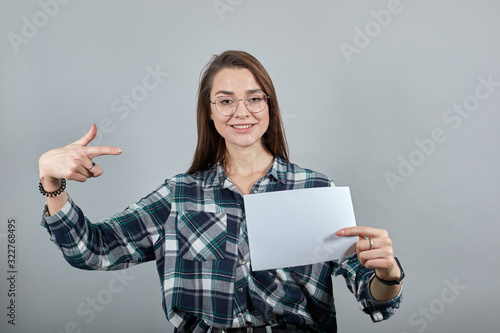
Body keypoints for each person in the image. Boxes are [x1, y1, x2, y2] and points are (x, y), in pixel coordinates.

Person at [39, 50, 403, 333]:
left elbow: (373, 298)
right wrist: (51, 183)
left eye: (254, 98)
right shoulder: (178, 196)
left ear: (270, 107)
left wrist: (388, 275)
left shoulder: (314, 188)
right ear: (210, 113)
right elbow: (94, 250)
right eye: (226, 101)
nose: (241, 111)